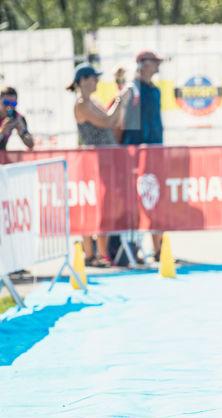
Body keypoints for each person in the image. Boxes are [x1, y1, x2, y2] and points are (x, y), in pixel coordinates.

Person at [68, 63, 130, 267]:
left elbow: (115, 119)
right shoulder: (81, 105)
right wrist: (120, 98)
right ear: (83, 81)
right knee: (98, 206)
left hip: (106, 161)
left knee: (106, 206)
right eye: (94, 78)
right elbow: (108, 121)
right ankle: (95, 253)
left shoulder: (92, 101)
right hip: (96, 163)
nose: (97, 81)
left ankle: (99, 252)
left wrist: (119, 93)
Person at [122, 49, 165, 260]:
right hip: (137, 155)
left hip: (155, 152)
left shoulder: (154, 90)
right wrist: (131, 153)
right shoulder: (134, 90)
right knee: (136, 203)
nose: (158, 65)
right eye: (154, 62)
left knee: (156, 199)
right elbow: (128, 124)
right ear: (143, 64)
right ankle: (134, 248)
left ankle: (159, 249)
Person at [0, 86, 35, 151]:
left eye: (13, 103)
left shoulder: (17, 117)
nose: (9, 107)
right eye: (6, 103)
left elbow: (30, 145)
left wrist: (22, 132)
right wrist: (2, 132)